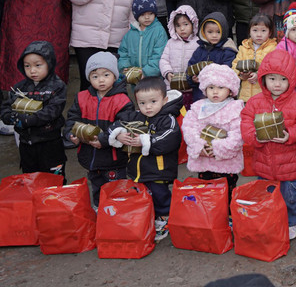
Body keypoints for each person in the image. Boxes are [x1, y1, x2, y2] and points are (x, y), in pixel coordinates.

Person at [240, 49, 296, 241]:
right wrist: (255, 137)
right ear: (263, 79)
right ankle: (271, 219)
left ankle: (293, 221)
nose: (277, 84)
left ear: (291, 80)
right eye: (272, 79)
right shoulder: (255, 102)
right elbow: (246, 124)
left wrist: (290, 135)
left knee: (290, 196)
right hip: (264, 162)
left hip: (291, 162)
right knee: (267, 195)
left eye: (282, 79)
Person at [109, 77, 183, 241]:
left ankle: (164, 218)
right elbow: (115, 124)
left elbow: (170, 138)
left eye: (153, 101)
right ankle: (149, 217)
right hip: (138, 168)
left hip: (159, 169)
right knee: (144, 194)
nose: (148, 107)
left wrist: (145, 140)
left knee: (159, 194)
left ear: (164, 100)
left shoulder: (168, 119)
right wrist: (119, 134)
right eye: (142, 103)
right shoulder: (135, 116)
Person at [63, 51, 133, 206]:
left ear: (114, 76)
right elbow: (72, 119)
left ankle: (117, 214)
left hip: (113, 158)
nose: (101, 80)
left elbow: (123, 124)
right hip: (90, 156)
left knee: (116, 190)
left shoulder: (122, 100)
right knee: (96, 187)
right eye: (95, 76)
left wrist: (103, 140)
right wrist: (70, 134)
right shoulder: (81, 97)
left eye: (106, 75)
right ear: (89, 78)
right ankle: (98, 209)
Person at [0, 41, 68, 178]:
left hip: (50, 143)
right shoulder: (19, 87)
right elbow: (5, 108)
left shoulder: (57, 86)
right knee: (30, 178)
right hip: (26, 143)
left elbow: (53, 111)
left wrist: (28, 120)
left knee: (54, 179)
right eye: (27, 66)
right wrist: (12, 118)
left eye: (38, 65)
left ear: (49, 63)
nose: (32, 70)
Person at [182, 64, 245, 202]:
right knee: (206, 195)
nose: (215, 92)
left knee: (226, 195)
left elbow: (238, 135)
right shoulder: (198, 107)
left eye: (220, 87)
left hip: (227, 165)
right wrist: (199, 146)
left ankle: (227, 219)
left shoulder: (235, 108)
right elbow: (188, 127)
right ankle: (209, 221)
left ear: (230, 90)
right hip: (204, 162)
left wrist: (217, 148)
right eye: (211, 87)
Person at [186, 12, 238, 107]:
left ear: (224, 31)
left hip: (221, 96)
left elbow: (228, 71)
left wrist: (208, 77)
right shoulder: (200, 50)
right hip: (200, 95)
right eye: (210, 32)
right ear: (203, 32)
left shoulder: (227, 50)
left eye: (218, 32)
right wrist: (193, 79)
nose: (214, 35)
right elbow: (190, 68)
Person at [117, 0, 168, 82]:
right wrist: (125, 68)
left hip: (153, 79)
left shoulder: (159, 31)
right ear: (136, 15)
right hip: (133, 79)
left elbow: (159, 55)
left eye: (150, 14)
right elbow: (123, 53)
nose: (147, 17)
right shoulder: (130, 33)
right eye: (143, 14)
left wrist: (146, 72)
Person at [232, 13, 278, 102]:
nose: (259, 34)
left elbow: (274, 68)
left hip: (265, 95)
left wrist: (259, 75)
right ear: (249, 31)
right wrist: (242, 75)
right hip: (245, 96)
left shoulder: (273, 48)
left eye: (263, 31)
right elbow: (235, 65)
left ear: (270, 32)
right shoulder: (244, 47)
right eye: (255, 30)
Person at [159, 5, 200, 92]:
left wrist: (196, 76)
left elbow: (200, 64)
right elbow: (164, 60)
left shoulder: (198, 43)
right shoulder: (171, 42)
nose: (182, 29)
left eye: (185, 24)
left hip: (191, 88)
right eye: (178, 25)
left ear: (193, 24)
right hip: (172, 87)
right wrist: (167, 73)